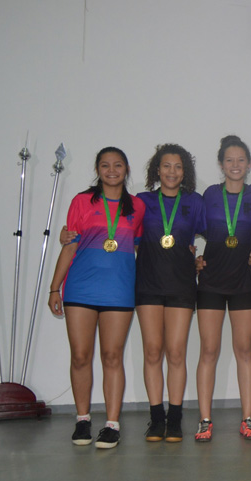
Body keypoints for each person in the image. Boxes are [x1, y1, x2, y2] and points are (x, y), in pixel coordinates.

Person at [48, 147, 144, 449]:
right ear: (97, 169)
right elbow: (69, 245)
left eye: (117, 165)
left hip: (119, 289)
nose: (111, 170)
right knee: (80, 356)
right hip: (80, 288)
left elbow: (141, 248)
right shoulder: (81, 201)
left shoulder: (138, 207)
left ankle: (112, 424)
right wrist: (54, 287)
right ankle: (83, 419)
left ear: (126, 169)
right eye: (105, 165)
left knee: (112, 357)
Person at [194, 135, 251, 442]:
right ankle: (205, 420)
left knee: (244, 351)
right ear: (221, 164)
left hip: (243, 284)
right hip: (210, 281)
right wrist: (193, 258)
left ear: (249, 164)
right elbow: (186, 231)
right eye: (229, 160)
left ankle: (248, 419)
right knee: (209, 351)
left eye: (241, 160)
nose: (235, 165)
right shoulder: (209, 195)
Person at [135, 144, 205, 442]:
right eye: (166, 166)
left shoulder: (195, 202)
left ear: (184, 171)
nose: (172, 172)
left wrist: (203, 260)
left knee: (176, 352)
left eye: (178, 166)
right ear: (157, 169)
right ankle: (156, 418)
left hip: (181, 284)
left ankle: (174, 418)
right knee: (152, 351)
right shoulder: (142, 201)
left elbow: (215, 235)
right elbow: (124, 234)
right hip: (148, 284)